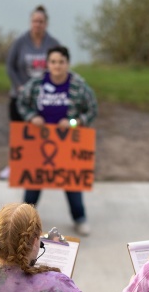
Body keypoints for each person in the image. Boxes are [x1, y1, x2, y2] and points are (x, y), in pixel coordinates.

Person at [16, 46, 97, 236]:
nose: (57, 66)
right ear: (47, 64)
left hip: (68, 144)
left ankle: (80, 218)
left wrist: (73, 123)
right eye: (53, 62)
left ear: (67, 63)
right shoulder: (36, 83)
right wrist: (30, 117)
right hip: (39, 143)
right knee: (33, 184)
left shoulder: (79, 85)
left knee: (72, 184)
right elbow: (21, 102)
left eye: (61, 62)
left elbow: (92, 110)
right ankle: (23, 222)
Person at [1, 5, 60, 179]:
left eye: (41, 21)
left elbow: (57, 67)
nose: (38, 24)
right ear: (30, 22)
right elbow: (10, 67)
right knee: (18, 133)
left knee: (41, 133)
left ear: (46, 24)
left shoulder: (53, 43)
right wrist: (18, 85)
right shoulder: (20, 42)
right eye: (35, 21)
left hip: (43, 98)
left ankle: (40, 163)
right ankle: (13, 165)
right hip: (19, 96)